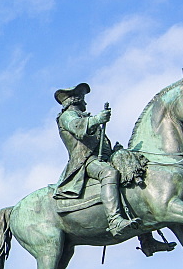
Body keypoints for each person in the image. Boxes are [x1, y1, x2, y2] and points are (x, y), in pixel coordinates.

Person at [53, 83, 138, 237]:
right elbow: (78, 128)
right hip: (85, 161)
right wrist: (98, 119)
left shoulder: (84, 116)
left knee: (130, 174)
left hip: (104, 157)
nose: (85, 102)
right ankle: (115, 221)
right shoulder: (67, 116)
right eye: (82, 98)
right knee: (109, 173)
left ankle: (147, 239)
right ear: (75, 100)